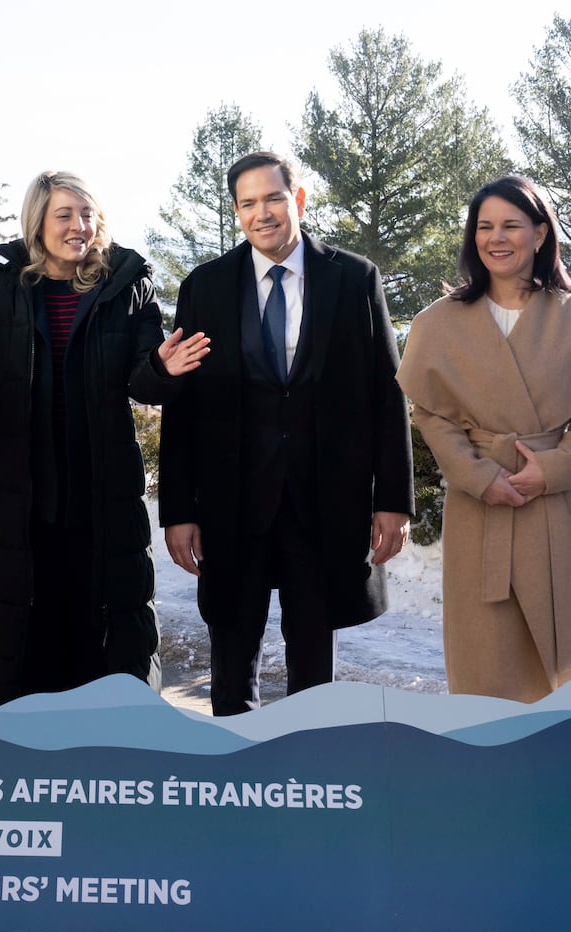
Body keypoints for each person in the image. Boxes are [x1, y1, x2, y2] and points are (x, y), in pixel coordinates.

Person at [0, 170, 209, 708]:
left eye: (88, 214)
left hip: (103, 500)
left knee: (106, 645)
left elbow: (142, 381)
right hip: (22, 502)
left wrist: (163, 368)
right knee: (25, 642)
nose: (80, 226)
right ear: (38, 225)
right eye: (65, 215)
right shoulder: (3, 289)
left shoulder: (128, 283)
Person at [157, 151, 413, 716]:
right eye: (247, 203)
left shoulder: (354, 279)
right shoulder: (206, 287)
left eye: (273, 198)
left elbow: (385, 394)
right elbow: (185, 406)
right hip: (232, 501)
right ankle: (234, 774)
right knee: (230, 663)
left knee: (313, 671)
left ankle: (310, 769)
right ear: (236, 212)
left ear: (298, 199)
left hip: (323, 500)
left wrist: (392, 500)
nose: (262, 213)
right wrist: (178, 509)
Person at [398, 175, 571, 702]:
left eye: (511, 225)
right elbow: (431, 414)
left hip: (552, 505)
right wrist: (477, 475)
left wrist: (558, 466)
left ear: (540, 234)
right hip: (480, 508)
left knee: (567, 660)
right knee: (486, 659)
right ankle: (490, 768)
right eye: (484, 226)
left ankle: (570, 765)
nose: (496, 238)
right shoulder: (440, 322)